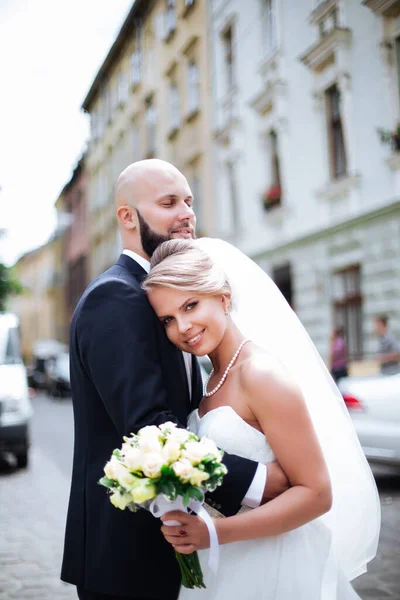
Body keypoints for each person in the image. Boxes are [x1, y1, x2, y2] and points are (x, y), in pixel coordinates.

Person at [61, 159, 288, 600]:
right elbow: (150, 428)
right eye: (169, 202)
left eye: (189, 200)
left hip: (170, 542)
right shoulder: (117, 297)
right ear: (127, 217)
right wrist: (263, 483)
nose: (187, 212)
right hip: (126, 553)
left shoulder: (158, 298)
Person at [143, 238, 381, 600]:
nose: (183, 326)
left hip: (275, 564)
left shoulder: (260, 374)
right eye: (168, 319)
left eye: (191, 305)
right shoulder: (210, 380)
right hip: (224, 564)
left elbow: (317, 494)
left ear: (223, 297)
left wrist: (213, 535)